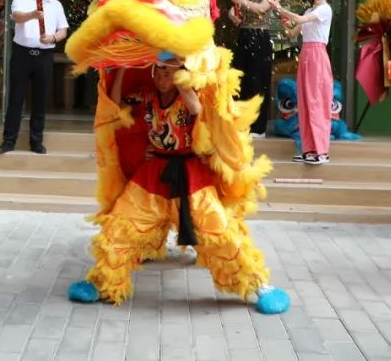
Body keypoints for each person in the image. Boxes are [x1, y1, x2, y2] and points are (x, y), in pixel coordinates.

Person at [67, 59, 289, 314]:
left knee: (218, 231)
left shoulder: (190, 96)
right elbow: (116, 106)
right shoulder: (147, 96)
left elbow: (198, 111)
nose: (162, 77)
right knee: (120, 225)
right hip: (152, 175)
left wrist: (181, 67)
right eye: (158, 70)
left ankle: (259, 284)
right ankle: (101, 281)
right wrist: (121, 70)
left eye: (168, 71)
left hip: (191, 177)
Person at [0, 0, 68, 155]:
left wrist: (52, 38)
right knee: (16, 98)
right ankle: (9, 140)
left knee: (40, 100)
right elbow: (16, 17)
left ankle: (36, 141)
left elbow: (63, 30)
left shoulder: (56, 4)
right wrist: (33, 15)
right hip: (22, 55)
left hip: (44, 56)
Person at [276, 0, 334, 165]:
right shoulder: (309, 9)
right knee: (305, 102)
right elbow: (292, 33)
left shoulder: (325, 9)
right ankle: (308, 149)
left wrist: (280, 8)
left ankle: (321, 152)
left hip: (317, 54)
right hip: (306, 54)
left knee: (317, 101)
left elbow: (300, 19)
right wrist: (283, 19)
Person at [229, 0, 275, 137]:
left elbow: (260, 9)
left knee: (258, 81)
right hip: (244, 36)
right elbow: (234, 12)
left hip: (260, 38)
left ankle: (258, 127)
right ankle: (240, 122)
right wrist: (233, 15)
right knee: (240, 78)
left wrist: (241, 1)